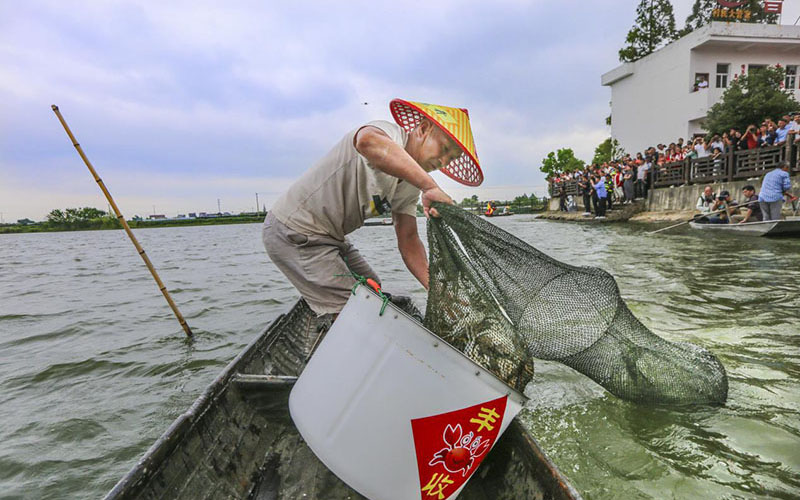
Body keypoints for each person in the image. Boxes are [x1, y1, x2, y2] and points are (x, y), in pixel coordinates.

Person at [262, 99, 478, 316]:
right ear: (423, 129)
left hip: (332, 239)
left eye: (451, 159)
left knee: (372, 286)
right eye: (445, 148)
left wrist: (436, 290)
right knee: (357, 312)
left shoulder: (412, 184)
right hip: (294, 232)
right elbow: (366, 141)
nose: (443, 161)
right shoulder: (390, 134)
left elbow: (409, 240)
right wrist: (430, 186)